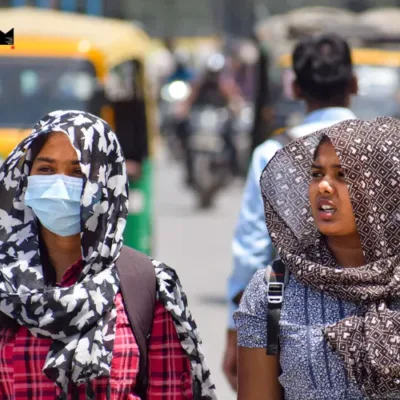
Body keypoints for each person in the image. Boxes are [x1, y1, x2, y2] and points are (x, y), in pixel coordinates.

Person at [0, 110, 218, 400]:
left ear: (106, 183)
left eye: (78, 172)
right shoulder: (6, 284)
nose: (58, 184)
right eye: (45, 170)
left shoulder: (144, 285)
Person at [223, 33, 359, 390]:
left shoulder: (272, 152)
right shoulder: (378, 149)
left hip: (283, 314)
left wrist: (236, 326)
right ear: (354, 83)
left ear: (295, 89)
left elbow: (252, 244)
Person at [235, 116, 400, 399]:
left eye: (342, 175)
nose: (323, 186)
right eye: (316, 174)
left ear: (384, 186)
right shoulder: (274, 288)